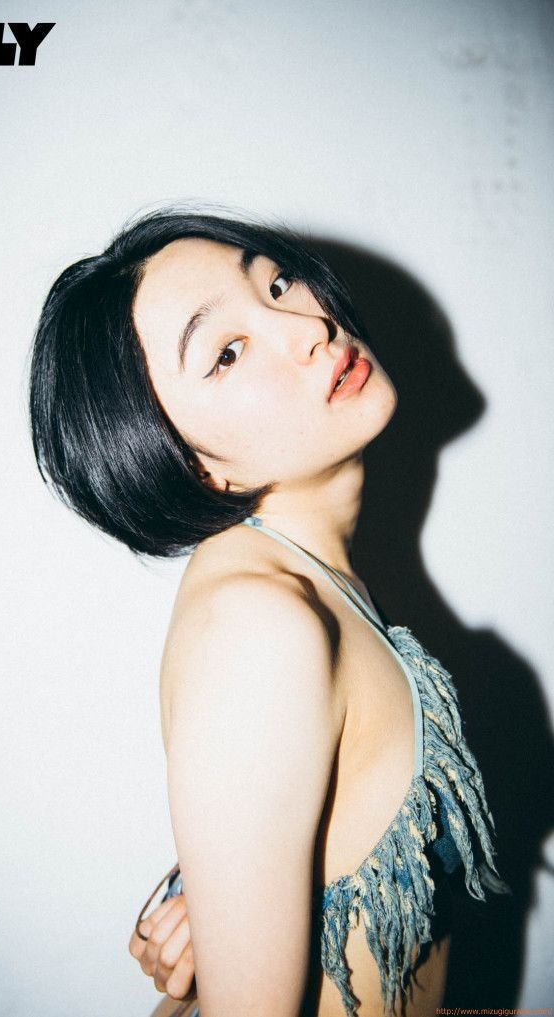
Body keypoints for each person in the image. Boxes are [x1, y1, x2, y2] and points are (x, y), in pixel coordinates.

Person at [28, 205, 510, 1017]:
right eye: (226, 352)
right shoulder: (261, 624)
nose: (308, 325)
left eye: (277, 282)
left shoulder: (298, 576)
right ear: (188, 466)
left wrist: (213, 894)